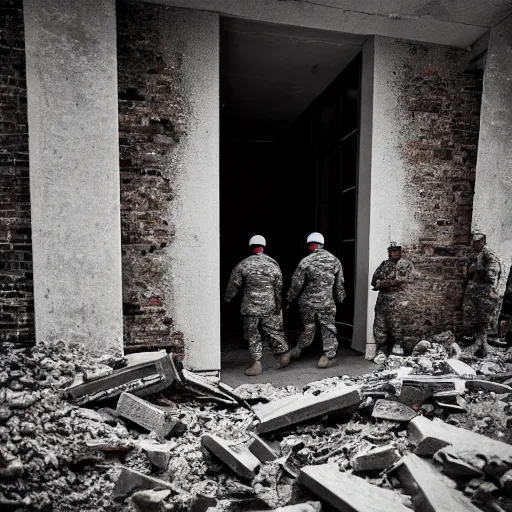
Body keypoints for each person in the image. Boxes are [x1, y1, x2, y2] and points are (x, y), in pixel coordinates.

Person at [224, 235, 290, 376]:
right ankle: (283, 355)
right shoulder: (273, 265)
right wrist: (278, 306)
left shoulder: (244, 264)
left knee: (253, 334)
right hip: (270, 306)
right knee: (274, 331)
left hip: (251, 307)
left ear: (251, 247)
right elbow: (278, 289)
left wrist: (227, 300)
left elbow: (233, 285)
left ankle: (257, 364)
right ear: (264, 246)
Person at [285, 232, 345, 368]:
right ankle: (327, 357)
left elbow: (296, 284)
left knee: (308, 327)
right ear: (322, 244)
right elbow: (339, 283)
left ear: (310, 246)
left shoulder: (305, 261)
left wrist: (289, 299)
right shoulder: (334, 260)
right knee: (328, 327)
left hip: (307, 303)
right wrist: (341, 299)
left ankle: (298, 348)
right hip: (326, 302)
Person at [371, 242, 414, 364]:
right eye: (391, 251)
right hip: (383, 300)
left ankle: (398, 348)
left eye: (396, 251)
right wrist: (380, 283)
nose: (393, 253)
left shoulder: (405, 265)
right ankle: (382, 350)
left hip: (397, 300)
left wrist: (383, 283)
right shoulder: (384, 264)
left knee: (396, 325)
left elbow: (401, 281)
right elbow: (374, 280)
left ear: (401, 252)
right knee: (380, 325)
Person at [461, 232, 501, 358]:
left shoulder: (487, 252)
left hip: (484, 292)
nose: (473, 246)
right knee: (476, 317)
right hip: (477, 292)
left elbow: (493, 269)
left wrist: (491, 282)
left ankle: (482, 344)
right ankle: (478, 342)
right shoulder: (479, 253)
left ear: (481, 242)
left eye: (475, 243)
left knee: (483, 318)